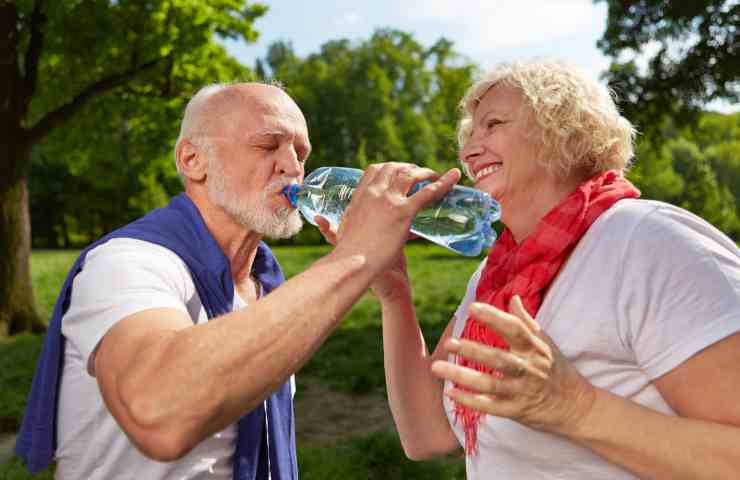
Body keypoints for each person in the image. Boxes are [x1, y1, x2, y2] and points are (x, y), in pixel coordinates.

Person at [15, 82, 461, 480]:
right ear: (193, 160)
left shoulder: (266, 284)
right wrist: (355, 255)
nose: (291, 166)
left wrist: (388, 284)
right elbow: (157, 413)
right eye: (268, 145)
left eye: (300, 152)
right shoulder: (128, 263)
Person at [348, 60, 740, 479]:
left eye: (493, 124)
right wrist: (395, 295)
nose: (469, 150)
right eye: (470, 134)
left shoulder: (648, 241)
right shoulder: (495, 274)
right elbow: (428, 435)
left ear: (563, 131)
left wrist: (578, 409)